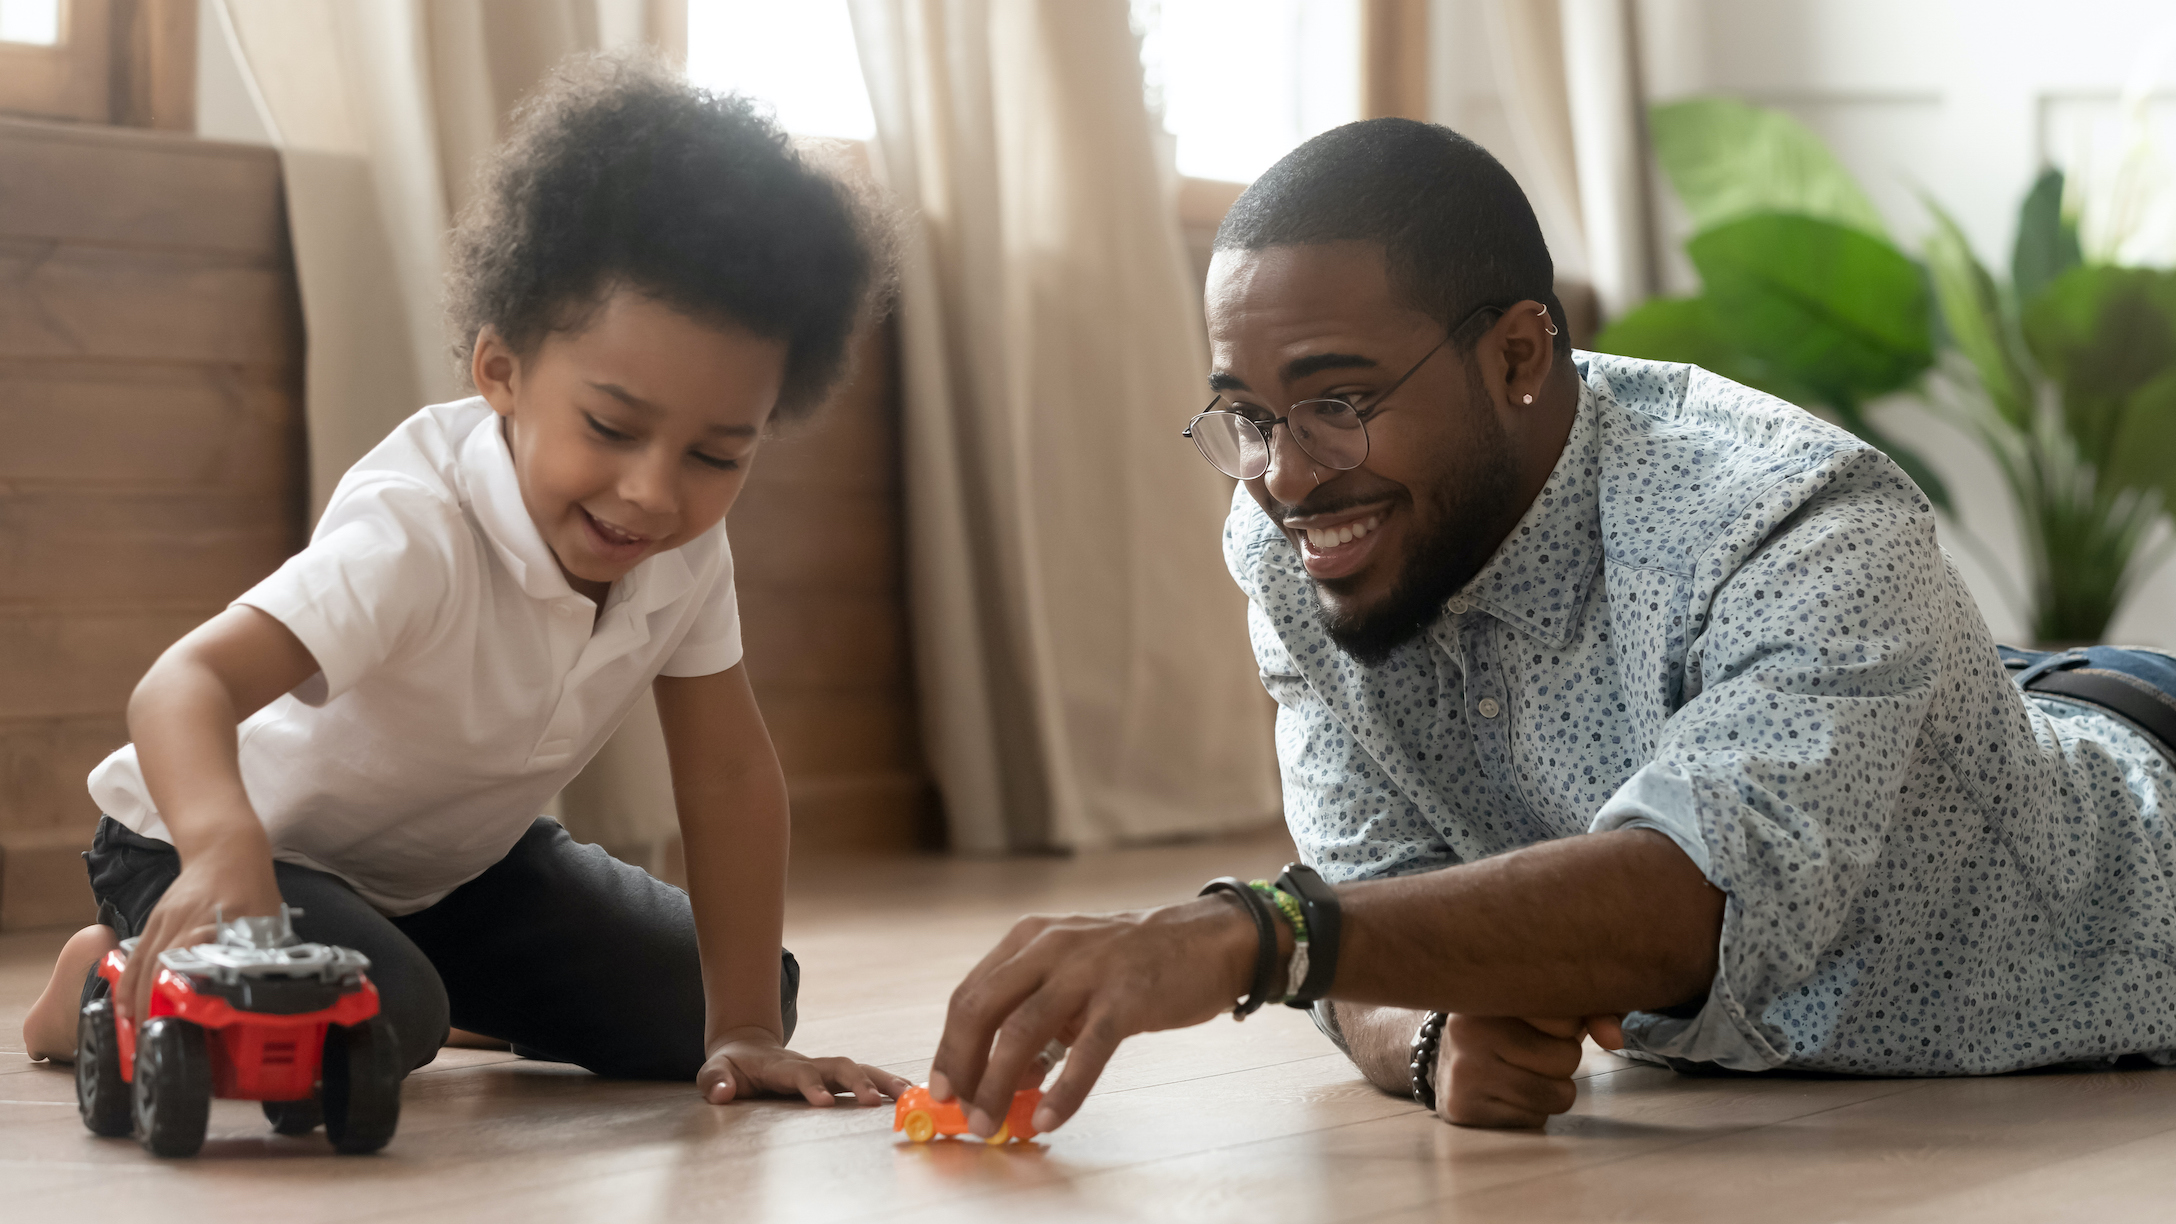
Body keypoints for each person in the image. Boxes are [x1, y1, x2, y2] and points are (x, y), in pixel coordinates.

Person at [925, 118, 2176, 1138]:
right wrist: (1424, 1040)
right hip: (1943, 713)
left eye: (1338, 401)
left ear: (1519, 352)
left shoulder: (1802, 516)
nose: (1287, 476)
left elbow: (1695, 896)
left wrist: (1254, 934)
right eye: (1246, 416)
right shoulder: (1296, 540)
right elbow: (1374, 891)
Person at [21, 54, 908, 1111]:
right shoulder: (417, 530)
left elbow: (725, 774)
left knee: (722, 1000)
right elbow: (182, 684)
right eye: (612, 428)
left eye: (718, 456)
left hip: (447, 875)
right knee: (372, 1019)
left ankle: (436, 989)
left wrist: (746, 1028)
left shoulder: (680, 553)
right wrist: (220, 848)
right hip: (205, 847)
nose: (652, 493)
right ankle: (103, 974)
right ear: (502, 372)